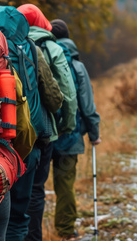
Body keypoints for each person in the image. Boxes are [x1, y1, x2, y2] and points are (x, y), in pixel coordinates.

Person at [16, 4, 78, 241]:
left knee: (10, 190)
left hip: (9, 129)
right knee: (35, 191)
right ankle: (33, 237)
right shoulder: (51, 47)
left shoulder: (4, 44)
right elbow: (67, 92)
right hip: (42, 131)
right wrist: (65, 125)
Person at [49, 19, 101, 240]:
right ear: (69, 36)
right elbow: (87, 104)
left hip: (41, 134)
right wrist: (94, 133)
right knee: (65, 184)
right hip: (69, 136)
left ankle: (28, 232)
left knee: (32, 189)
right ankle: (65, 229)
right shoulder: (77, 66)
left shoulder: (38, 55)